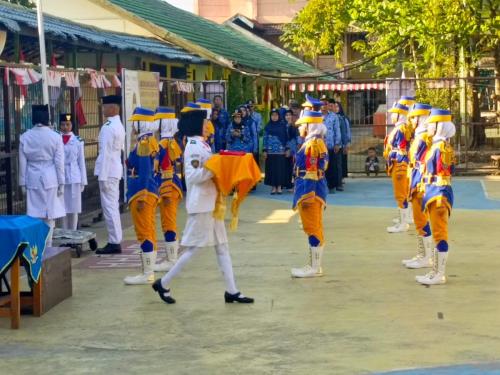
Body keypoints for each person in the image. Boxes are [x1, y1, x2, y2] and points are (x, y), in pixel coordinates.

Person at [152, 105, 254, 304]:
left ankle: (232, 290)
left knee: (222, 247)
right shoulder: (194, 146)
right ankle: (163, 283)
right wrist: (216, 167)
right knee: (194, 249)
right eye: (205, 122)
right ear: (197, 124)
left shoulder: (202, 144)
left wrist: (219, 163)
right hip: (202, 204)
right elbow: (193, 176)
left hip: (212, 203)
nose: (208, 125)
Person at [416, 109, 456, 285]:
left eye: (432, 123)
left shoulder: (441, 147)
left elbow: (445, 170)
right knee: (438, 233)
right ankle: (436, 271)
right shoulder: (438, 145)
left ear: (440, 126)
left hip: (438, 192)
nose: (428, 126)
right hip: (434, 190)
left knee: (440, 234)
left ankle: (439, 273)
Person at [19, 105, 65, 247]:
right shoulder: (56, 137)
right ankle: (48, 245)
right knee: (49, 215)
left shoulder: (25, 137)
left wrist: (22, 183)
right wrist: (61, 182)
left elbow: (22, 163)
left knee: (34, 214)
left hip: (32, 178)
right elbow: (59, 163)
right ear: (47, 119)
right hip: (51, 178)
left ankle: (35, 246)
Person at [123, 107, 160, 285]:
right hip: (146, 189)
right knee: (149, 230)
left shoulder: (144, 143)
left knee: (144, 232)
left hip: (141, 191)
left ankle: (147, 273)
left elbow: (145, 171)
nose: (133, 127)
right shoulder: (146, 141)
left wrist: (143, 196)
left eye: (135, 123)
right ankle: (149, 270)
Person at [291, 110, 329, 278]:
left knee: (312, 227)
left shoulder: (313, 144)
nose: (299, 128)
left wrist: (307, 195)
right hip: (312, 189)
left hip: (310, 190)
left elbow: (311, 172)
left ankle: (314, 268)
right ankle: (315, 265)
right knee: (315, 227)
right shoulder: (314, 142)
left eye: (302, 125)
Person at [402, 103, 434, 269]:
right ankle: (422, 254)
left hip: (420, 182)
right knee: (418, 219)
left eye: (414, 117)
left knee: (421, 219)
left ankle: (426, 257)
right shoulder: (420, 136)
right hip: (415, 180)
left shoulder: (423, 138)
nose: (411, 120)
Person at [153, 107, 183, 272]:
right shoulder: (172, 142)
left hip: (167, 187)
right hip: (173, 185)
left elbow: (161, 167)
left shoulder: (163, 144)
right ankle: (172, 258)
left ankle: (172, 260)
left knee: (168, 223)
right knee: (169, 222)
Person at [94, 95, 125, 254]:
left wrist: (103, 177)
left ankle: (114, 242)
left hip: (108, 171)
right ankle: (116, 239)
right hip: (114, 169)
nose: (103, 109)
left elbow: (105, 153)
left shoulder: (108, 127)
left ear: (112, 108)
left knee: (109, 207)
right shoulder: (118, 124)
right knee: (112, 206)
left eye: (105, 106)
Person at [384, 99, 414, 233]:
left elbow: (401, 149)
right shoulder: (401, 127)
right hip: (399, 162)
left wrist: (391, 154)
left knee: (401, 194)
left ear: (400, 114)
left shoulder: (401, 128)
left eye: (394, 113)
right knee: (403, 193)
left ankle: (403, 223)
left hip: (400, 163)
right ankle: (405, 219)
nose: (392, 115)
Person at [59, 113, 87, 230]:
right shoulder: (56, 139)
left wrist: (83, 181)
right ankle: (64, 233)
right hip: (61, 176)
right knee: (62, 208)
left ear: (72, 125)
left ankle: (73, 233)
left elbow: (81, 161)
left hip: (74, 176)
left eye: (68, 124)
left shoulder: (78, 141)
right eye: (63, 124)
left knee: (74, 208)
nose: (65, 127)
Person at [263, 109, 288, 195]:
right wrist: (264, 150)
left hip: (281, 151)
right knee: (271, 169)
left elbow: (286, 138)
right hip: (270, 151)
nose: (274, 117)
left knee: (280, 169)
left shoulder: (283, 126)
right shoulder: (267, 126)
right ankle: (273, 187)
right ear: (270, 116)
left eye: (276, 115)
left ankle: (279, 186)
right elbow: (265, 139)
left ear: (279, 116)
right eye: (272, 115)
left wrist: (287, 148)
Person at [322, 100, 342, 193]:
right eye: (321, 104)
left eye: (325, 104)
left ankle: (331, 186)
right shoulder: (316, 116)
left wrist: (337, 143)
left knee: (331, 167)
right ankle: (321, 187)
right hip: (319, 147)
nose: (324, 106)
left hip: (331, 146)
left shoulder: (334, 116)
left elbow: (337, 130)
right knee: (320, 167)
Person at [335, 101, 352, 185]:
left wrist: (347, 142)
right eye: (334, 106)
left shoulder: (344, 118)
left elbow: (347, 131)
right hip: (334, 144)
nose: (336, 108)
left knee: (341, 162)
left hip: (342, 143)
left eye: (337, 107)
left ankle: (340, 178)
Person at [284, 109, 299, 190]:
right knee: (286, 166)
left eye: (290, 115)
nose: (288, 117)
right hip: (284, 148)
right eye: (286, 115)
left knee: (293, 166)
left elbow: (297, 138)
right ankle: (287, 183)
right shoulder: (282, 126)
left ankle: (293, 184)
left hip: (294, 149)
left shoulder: (295, 126)